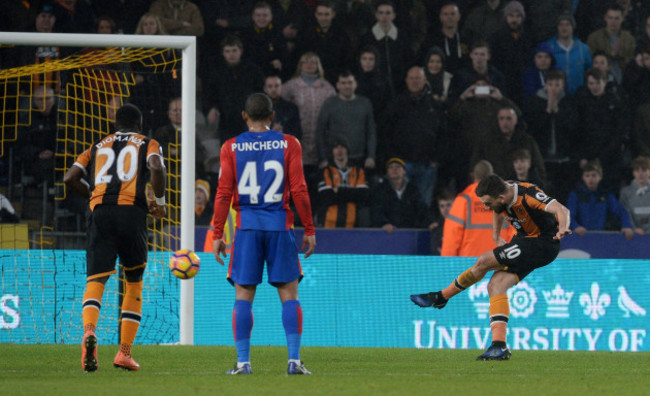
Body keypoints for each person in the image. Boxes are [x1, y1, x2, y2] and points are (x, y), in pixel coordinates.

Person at [411, 174, 571, 361]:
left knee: (484, 261)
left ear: (501, 198)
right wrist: (495, 235)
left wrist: (563, 228)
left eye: (487, 203)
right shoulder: (503, 194)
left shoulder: (528, 195)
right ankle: (499, 346)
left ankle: (441, 296)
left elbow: (562, 209)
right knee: (496, 285)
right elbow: (498, 210)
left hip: (542, 243)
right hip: (524, 240)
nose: (486, 207)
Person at [212, 93, 316, 375]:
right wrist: (309, 229)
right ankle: (294, 360)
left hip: (246, 229)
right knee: (289, 294)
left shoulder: (230, 147)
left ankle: (243, 363)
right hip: (280, 226)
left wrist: (217, 233)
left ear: (244, 116)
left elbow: (223, 193)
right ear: (272, 116)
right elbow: (299, 190)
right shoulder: (289, 143)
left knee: (244, 294)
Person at [63, 104, 167, 372]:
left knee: (96, 281)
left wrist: (95, 195)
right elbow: (156, 166)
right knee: (133, 281)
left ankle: (88, 332)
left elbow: (70, 177)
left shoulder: (98, 145)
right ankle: (124, 353)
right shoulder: (148, 142)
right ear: (140, 125)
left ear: (115, 125)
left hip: (100, 214)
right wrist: (160, 201)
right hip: (132, 213)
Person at [441, 160, 514, 257]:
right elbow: (514, 233)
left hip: (470, 265)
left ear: (473, 176)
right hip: (499, 262)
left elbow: (452, 238)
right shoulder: (504, 200)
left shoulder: (463, 201)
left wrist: (446, 266)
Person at [316, 71, 376, 171]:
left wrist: (371, 156)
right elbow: (320, 132)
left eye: (350, 82)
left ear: (355, 84)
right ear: (338, 85)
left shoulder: (365, 103)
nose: (347, 86)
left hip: (360, 158)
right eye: (343, 83)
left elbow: (371, 132)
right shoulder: (329, 104)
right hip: (334, 159)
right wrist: (323, 158)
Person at [567, 160, 635, 240]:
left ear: (600, 177)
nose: (590, 179)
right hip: (580, 237)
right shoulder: (576, 195)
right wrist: (576, 227)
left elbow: (621, 212)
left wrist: (626, 226)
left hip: (601, 237)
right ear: (583, 177)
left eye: (594, 175)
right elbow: (568, 215)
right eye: (587, 176)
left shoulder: (605, 195)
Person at [371, 157, 435, 232]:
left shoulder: (412, 189)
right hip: (388, 233)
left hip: (409, 232)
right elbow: (377, 210)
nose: (394, 169)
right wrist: (384, 223)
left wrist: (430, 222)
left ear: (404, 171)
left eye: (398, 167)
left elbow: (422, 209)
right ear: (387, 173)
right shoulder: (380, 190)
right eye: (391, 167)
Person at [317, 138, 370, 228]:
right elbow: (326, 197)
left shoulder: (358, 171)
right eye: (336, 148)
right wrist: (352, 192)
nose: (339, 150)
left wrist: (338, 191)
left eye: (342, 147)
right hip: (329, 224)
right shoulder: (325, 171)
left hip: (353, 224)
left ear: (347, 150)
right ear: (332, 151)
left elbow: (363, 196)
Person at [587, 3, 636, 84]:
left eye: (617, 18)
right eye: (610, 18)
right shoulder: (594, 38)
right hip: (599, 82)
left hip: (625, 81)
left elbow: (631, 64)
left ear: (622, 19)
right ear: (605, 18)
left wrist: (620, 55)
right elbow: (590, 63)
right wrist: (611, 55)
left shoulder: (629, 39)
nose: (613, 22)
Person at [544, 13, 593, 95]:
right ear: (557, 27)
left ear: (573, 27)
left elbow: (589, 71)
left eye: (568, 24)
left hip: (578, 95)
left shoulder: (583, 49)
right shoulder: (548, 47)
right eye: (561, 24)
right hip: (555, 95)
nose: (564, 28)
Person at [620, 156, 650, 235]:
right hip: (634, 236)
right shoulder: (625, 193)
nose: (641, 174)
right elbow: (626, 213)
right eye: (637, 170)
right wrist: (633, 228)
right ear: (633, 173)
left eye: (644, 170)